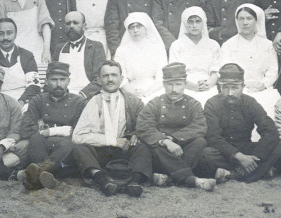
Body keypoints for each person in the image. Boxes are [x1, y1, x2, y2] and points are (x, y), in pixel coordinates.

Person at [72, 60, 153, 197]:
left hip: (124, 150)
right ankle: (102, 181)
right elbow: (78, 136)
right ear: (99, 79)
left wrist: (136, 134)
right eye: (106, 76)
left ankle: (134, 182)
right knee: (80, 148)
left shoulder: (134, 101)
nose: (110, 79)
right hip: (100, 152)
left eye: (114, 75)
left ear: (121, 79)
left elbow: (145, 126)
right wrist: (112, 140)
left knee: (143, 147)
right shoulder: (93, 101)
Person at [136, 63, 216, 191]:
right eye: (170, 84)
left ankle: (169, 178)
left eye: (178, 84)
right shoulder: (155, 103)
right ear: (163, 84)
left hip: (182, 150)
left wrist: (174, 139)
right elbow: (143, 126)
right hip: (161, 150)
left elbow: (199, 126)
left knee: (200, 141)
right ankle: (190, 179)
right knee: (152, 144)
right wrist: (166, 141)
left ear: (185, 84)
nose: (174, 89)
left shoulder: (193, 104)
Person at [200, 64, 281, 183]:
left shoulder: (250, 103)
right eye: (225, 87)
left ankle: (233, 175)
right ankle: (259, 171)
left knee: (278, 146)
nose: (230, 92)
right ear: (219, 86)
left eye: (234, 87)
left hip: (246, 148)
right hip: (224, 152)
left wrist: (255, 157)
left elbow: (270, 131)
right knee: (205, 154)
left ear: (242, 86)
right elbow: (213, 137)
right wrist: (238, 157)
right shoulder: (212, 104)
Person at [18, 62, 84, 190]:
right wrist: (59, 131)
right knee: (35, 138)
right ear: (47, 81)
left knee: (70, 144)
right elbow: (25, 128)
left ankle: (37, 174)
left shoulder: (78, 102)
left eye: (62, 80)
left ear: (68, 81)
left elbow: (78, 131)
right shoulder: (38, 100)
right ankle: (48, 178)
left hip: (64, 156)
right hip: (43, 148)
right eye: (54, 80)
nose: (58, 84)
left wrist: (50, 131)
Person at [216, 4, 280, 119]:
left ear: (256, 21)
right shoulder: (228, 45)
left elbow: (273, 70)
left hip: (262, 89)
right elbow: (225, 70)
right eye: (241, 19)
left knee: (270, 107)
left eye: (249, 18)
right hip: (237, 89)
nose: (245, 23)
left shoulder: (267, 45)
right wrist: (242, 85)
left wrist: (263, 85)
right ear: (237, 21)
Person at [0, 18, 41, 107]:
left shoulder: (27, 56)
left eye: (9, 33)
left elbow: (34, 86)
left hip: (23, 101)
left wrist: (21, 102)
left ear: (15, 34)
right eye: (1, 34)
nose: (5, 38)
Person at [169, 7, 220, 106]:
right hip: (184, 86)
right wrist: (193, 87)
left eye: (198, 21)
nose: (194, 25)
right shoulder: (176, 45)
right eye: (190, 22)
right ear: (185, 24)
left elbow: (215, 71)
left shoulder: (213, 45)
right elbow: (176, 73)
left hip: (208, 85)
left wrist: (208, 84)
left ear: (203, 23)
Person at [114, 12, 168, 103]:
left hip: (154, 88)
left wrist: (148, 92)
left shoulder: (158, 48)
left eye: (139, 26)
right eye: (132, 27)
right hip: (129, 89)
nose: (135, 30)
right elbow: (121, 77)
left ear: (146, 28)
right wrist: (133, 92)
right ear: (128, 30)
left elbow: (161, 77)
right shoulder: (121, 50)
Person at [53, 11, 105, 98]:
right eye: (68, 23)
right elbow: (52, 76)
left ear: (84, 26)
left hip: (87, 97)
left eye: (75, 23)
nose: (71, 26)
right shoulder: (59, 48)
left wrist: (82, 94)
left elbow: (100, 78)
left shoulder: (96, 47)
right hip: (62, 97)